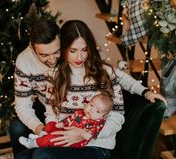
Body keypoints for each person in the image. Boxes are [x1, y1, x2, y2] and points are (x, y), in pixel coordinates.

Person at [15, 20, 167, 159]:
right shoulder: (55, 76)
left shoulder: (104, 74)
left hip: (96, 146)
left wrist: (85, 134)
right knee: (23, 157)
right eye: (73, 50)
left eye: (84, 49)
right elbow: (51, 113)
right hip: (64, 141)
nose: (79, 56)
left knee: (42, 156)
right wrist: (54, 133)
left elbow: (116, 117)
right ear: (64, 49)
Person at [10, 19, 60, 156]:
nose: (52, 60)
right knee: (16, 127)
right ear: (32, 47)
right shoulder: (24, 60)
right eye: (44, 55)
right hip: (45, 106)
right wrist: (40, 129)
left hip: (68, 110)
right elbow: (22, 105)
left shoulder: (71, 53)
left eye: (56, 52)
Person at [18, 93, 123, 149]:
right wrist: (61, 124)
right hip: (65, 129)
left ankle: (34, 143)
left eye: (97, 111)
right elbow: (69, 119)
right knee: (51, 124)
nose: (91, 110)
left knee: (53, 139)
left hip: (75, 141)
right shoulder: (80, 112)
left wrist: (87, 134)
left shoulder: (98, 122)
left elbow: (95, 132)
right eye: (91, 105)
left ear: (103, 116)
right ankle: (42, 136)